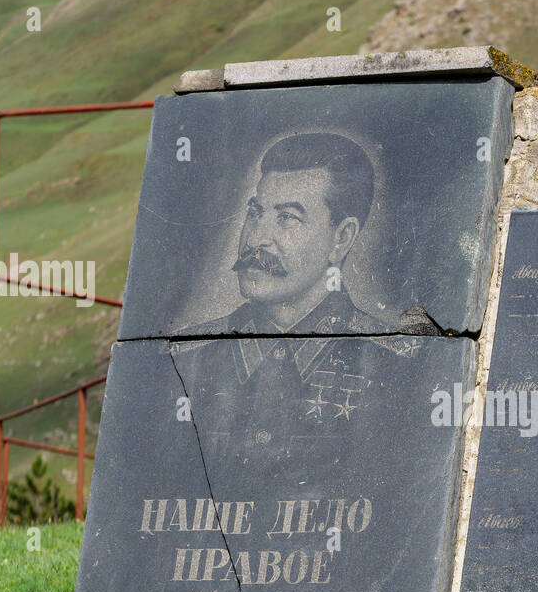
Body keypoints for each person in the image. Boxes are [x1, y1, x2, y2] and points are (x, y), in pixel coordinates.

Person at [178, 132, 424, 462]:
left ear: (342, 238)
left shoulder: (398, 367)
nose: (256, 240)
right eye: (255, 212)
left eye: (287, 218)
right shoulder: (185, 357)